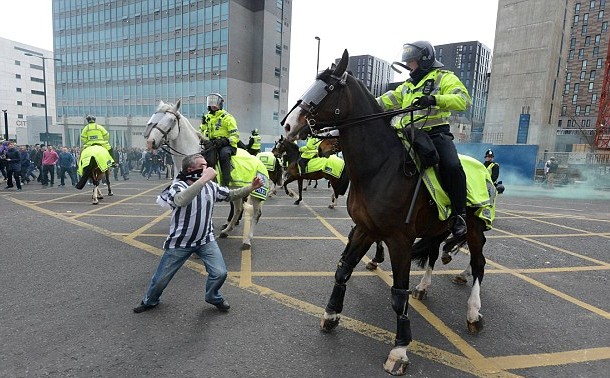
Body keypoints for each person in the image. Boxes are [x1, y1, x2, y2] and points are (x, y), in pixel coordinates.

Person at [133, 153, 264, 313]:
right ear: (190, 169)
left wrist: (251, 187)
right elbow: (181, 200)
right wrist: (203, 180)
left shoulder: (211, 186)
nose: (207, 168)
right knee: (161, 279)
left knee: (220, 273)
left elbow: (230, 195)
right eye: (202, 166)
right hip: (180, 242)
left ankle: (212, 296)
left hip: (206, 240)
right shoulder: (178, 186)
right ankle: (150, 300)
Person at [376, 40, 471, 239]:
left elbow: (463, 100)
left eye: (412, 62)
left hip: (436, 134)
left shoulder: (444, 77)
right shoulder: (407, 87)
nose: (409, 66)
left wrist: (435, 99)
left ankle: (459, 215)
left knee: (452, 166)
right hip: (409, 135)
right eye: (408, 62)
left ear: (425, 60)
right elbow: (385, 101)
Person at [199, 93, 240, 186]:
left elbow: (236, 136)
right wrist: (203, 125)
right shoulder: (207, 118)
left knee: (224, 155)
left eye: (215, 103)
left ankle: (226, 182)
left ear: (220, 104)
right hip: (212, 144)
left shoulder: (228, 118)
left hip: (227, 145)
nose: (213, 105)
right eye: (211, 102)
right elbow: (201, 131)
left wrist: (225, 141)